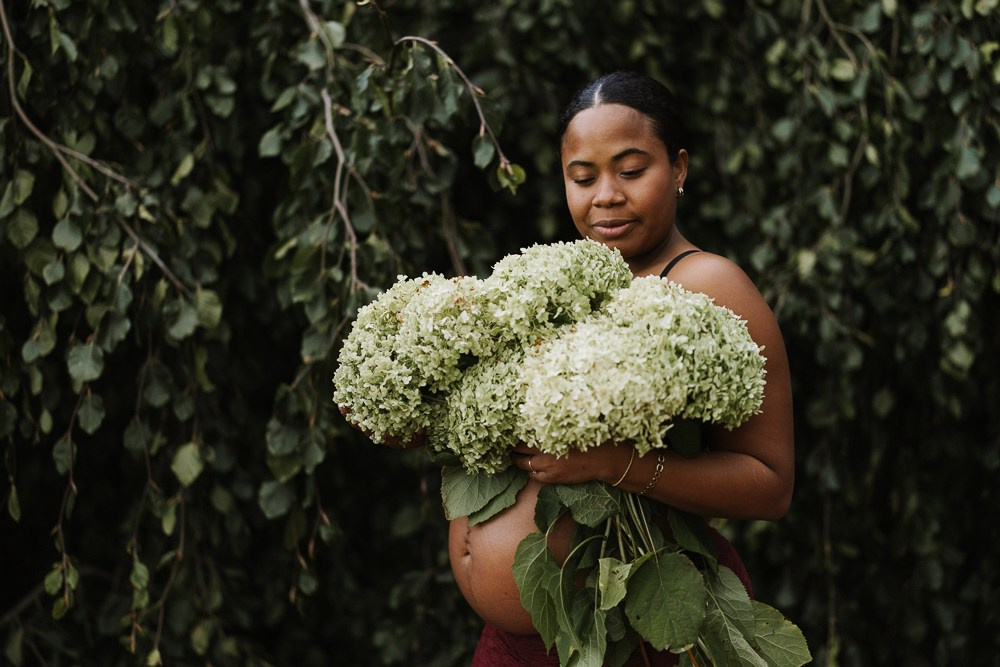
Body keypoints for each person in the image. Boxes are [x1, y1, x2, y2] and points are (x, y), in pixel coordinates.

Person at [349, 71, 795, 666]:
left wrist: (617, 465)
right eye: (581, 178)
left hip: (630, 639)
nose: (605, 195)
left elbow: (769, 483)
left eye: (631, 171)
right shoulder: (554, 289)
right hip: (516, 646)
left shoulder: (704, 283)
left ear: (680, 169)